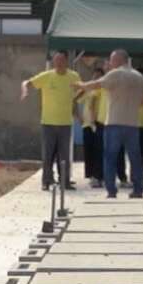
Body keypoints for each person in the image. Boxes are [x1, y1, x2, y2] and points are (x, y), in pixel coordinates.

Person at [89, 50, 143, 199]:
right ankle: (138, 189)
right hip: (132, 123)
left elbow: (96, 84)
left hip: (114, 122)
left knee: (110, 157)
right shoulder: (139, 77)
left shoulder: (115, 74)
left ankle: (111, 190)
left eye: (111, 60)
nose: (110, 63)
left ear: (118, 60)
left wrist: (80, 85)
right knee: (135, 158)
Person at [21, 51, 82, 190]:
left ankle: (65, 181)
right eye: (56, 60)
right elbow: (27, 82)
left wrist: (75, 102)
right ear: (54, 62)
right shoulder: (47, 76)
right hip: (48, 122)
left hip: (65, 123)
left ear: (66, 61)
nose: (59, 63)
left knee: (64, 155)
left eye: (61, 60)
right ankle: (46, 181)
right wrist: (25, 90)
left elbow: (82, 89)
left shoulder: (73, 76)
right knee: (48, 154)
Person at [78, 64, 113, 197]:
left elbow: (93, 103)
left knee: (102, 151)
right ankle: (94, 176)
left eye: (99, 76)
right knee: (92, 150)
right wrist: (80, 118)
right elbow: (78, 99)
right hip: (91, 123)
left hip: (102, 122)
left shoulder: (105, 87)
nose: (97, 78)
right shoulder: (93, 89)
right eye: (95, 75)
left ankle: (101, 176)